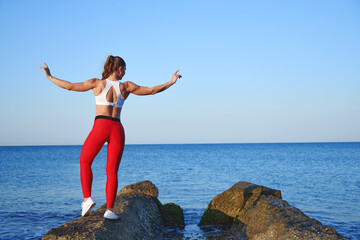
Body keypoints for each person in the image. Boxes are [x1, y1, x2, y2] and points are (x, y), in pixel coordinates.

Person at [40, 55, 182, 220]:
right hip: (117, 128)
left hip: (100, 126)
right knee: (111, 171)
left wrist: (49, 77)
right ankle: (110, 210)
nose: (125, 73)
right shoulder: (126, 87)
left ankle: (87, 199)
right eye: (125, 70)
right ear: (120, 68)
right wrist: (171, 82)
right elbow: (151, 91)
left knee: (85, 161)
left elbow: (70, 87)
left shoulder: (97, 83)